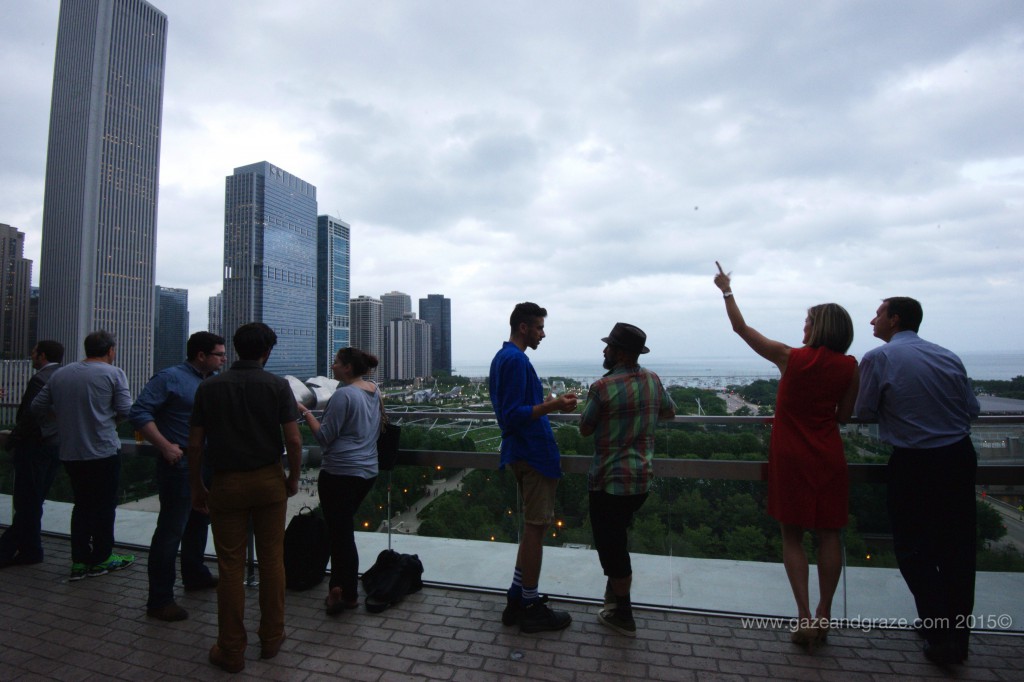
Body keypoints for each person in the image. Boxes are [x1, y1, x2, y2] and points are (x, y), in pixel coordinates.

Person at [713, 263, 858, 646]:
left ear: (820, 326)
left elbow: (741, 329)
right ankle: (826, 614)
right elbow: (843, 416)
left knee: (792, 536)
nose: (804, 328)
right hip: (828, 455)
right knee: (829, 534)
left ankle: (805, 617)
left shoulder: (790, 357)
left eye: (808, 322)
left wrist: (727, 290)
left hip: (791, 455)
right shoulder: (849, 366)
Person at [854, 297, 980, 666]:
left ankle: (938, 634)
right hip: (959, 457)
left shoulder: (879, 359)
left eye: (878, 313)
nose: (872, 319)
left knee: (914, 548)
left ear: (894, 320)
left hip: (914, 463)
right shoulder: (947, 356)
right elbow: (971, 409)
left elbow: (864, 410)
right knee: (958, 548)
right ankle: (959, 635)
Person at [188, 322, 302, 673]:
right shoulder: (277, 386)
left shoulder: (210, 387)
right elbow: (294, 441)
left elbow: (195, 444)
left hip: (226, 483)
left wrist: (196, 486)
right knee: (272, 561)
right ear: (267, 351)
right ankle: (271, 638)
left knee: (230, 567)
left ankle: (231, 649)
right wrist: (293, 478)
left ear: (235, 349)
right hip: (269, 481)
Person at [578, 323, 676, 637]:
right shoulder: (653, 380)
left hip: (609, 482)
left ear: (620, 353)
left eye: (608, 346)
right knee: (617, 539)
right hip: (641, 481)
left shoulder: (602, 387)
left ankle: (623, 614)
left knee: (612, 550)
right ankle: (614, 601)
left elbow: (585, 427)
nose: (604, 351)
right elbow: (669, 412)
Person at [489, 301, 578, 633]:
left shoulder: (503, 359)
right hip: (533, 453)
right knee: (536, 529)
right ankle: (529, 603)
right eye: (539, 327)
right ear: (523, 327)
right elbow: (511, 414)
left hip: (522, 451)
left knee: (531, 530)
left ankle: (516, 597)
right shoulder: (515, 360)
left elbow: (514, 410)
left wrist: (550, 406)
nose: (543, 333)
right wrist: (553, 405)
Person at [130, 331, 226, 621]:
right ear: (201, 355)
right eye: (219, 354)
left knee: (199, 520)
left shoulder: (210, 382)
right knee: (171, 529)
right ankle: (160, 599)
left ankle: (195, 574)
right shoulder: (169, 378)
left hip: (205, 462)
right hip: (181, 462)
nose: (223, 358)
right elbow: (139, 412)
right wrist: (165, 446)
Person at [31, 330, 136, 581]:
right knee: (104, 506)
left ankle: (79, 561)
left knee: (82, 505)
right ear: (110, 350)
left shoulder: (62, 373)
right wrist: (109, 421)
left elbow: (37, 407)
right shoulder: (113, 373)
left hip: (70, 451)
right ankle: (101, 558)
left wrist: (63, 419)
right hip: (102, 450)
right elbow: (126, 410)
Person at [298, 347, 381, 614]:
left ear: (347, 368)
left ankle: (346, 593)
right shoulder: (374, 390)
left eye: (336, 362)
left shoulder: (343, 395)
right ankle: (340, 587)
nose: (332, 366)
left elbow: (324, 438)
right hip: (366, 471)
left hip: (340, 473)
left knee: (341, 535)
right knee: (341, 532)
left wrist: (306, 413)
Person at [0, 340, 64, 568]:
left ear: (42, 355)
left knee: (28, 501)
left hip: (35, 447)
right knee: (35, 500)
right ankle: (31, 550)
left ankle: (8, 550)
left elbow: (29, 415)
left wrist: (13, 440)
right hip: (55, 445)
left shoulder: (40, 379)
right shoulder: (63, 376)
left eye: (34, 351)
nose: (31, 354)